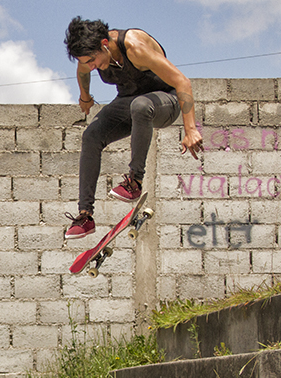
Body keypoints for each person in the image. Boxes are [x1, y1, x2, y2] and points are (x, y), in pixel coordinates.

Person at [63, 17, 203, 239]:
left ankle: (134, 182)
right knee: (91, 135)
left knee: (141, 105)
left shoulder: (136, 47)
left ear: (104, 44)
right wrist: (85, 97)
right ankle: (85, 215)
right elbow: (82, 72)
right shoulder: (89, 56)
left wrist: (191, 129)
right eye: (86, 62)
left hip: (165, 102)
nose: (91, 66)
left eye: (93, 60)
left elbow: (182, 82)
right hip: (128, 103)